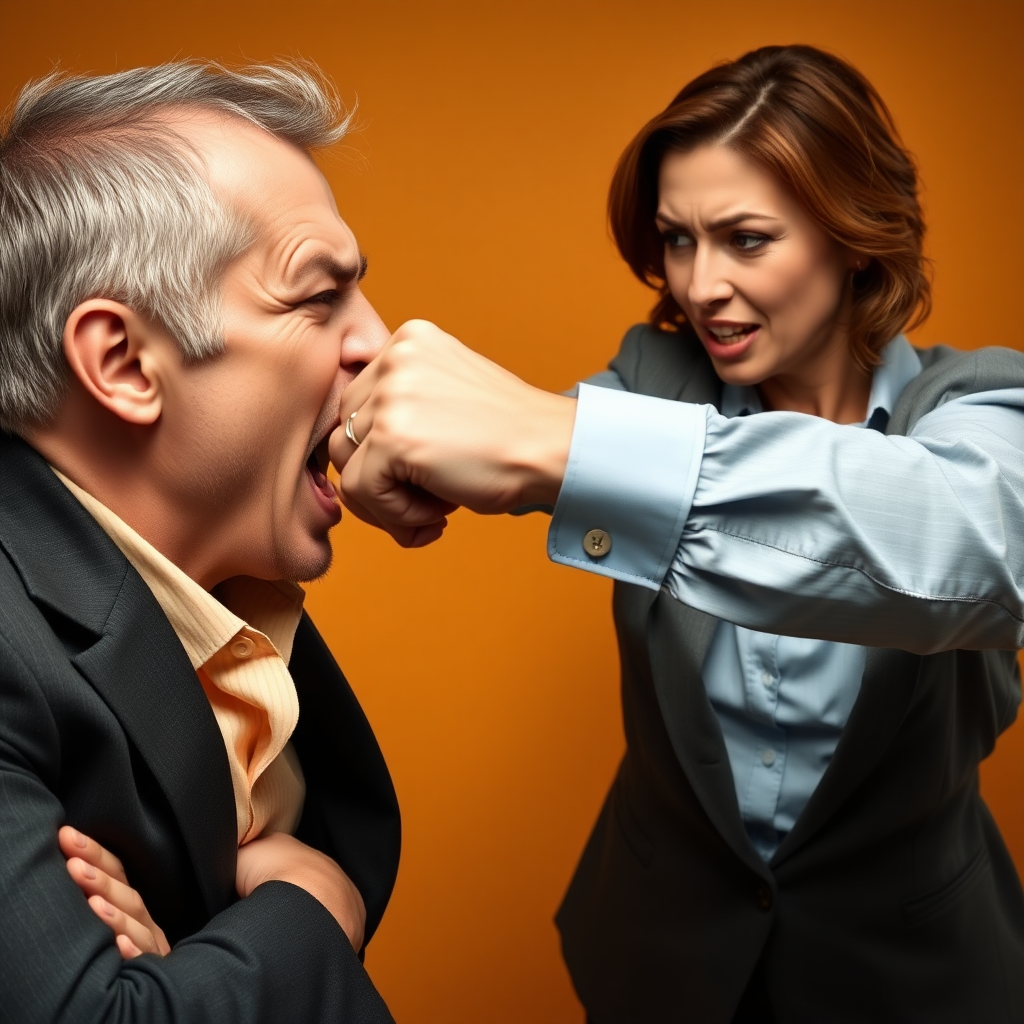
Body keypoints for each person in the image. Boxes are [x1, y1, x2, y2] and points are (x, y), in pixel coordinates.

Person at [330, 45, 1024, 1022]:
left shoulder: (983, 408)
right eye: (676, 240)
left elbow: (978, 537)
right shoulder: (647, 389)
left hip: (913, 973)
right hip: (661, 956)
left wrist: (550, 440)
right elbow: (467, 445)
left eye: (744, 239)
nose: (698, 286)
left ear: (854, 236)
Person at [0, 61, 401, 1022]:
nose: (380, 343)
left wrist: (196, 952)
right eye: (317, 298)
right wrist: (307, 904)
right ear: (126, 362)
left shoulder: (220, 593)